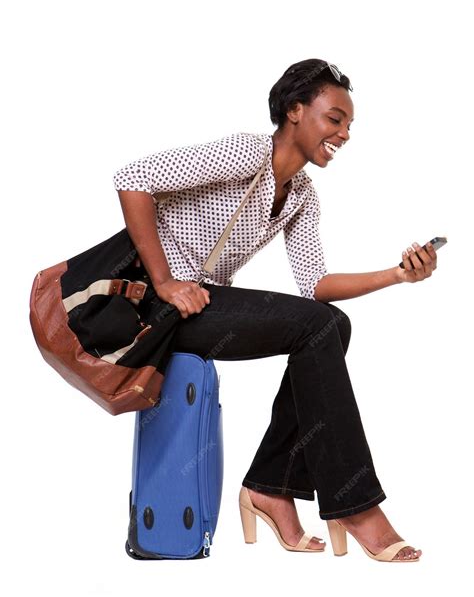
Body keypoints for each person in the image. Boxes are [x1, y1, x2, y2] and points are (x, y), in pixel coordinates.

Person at [113, 58, 436, 562]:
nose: (344, 133)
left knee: (328, 325)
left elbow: (316, 285)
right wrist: (165, 281)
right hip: (157, 308)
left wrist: (397, 274)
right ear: (294, 112)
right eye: (335, 118)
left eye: (350, 125)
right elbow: (132, 178)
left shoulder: (302, 194)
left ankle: (272, 486)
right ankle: (352, 504)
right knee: (320, 328)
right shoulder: (247, 152)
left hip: (200, 305)